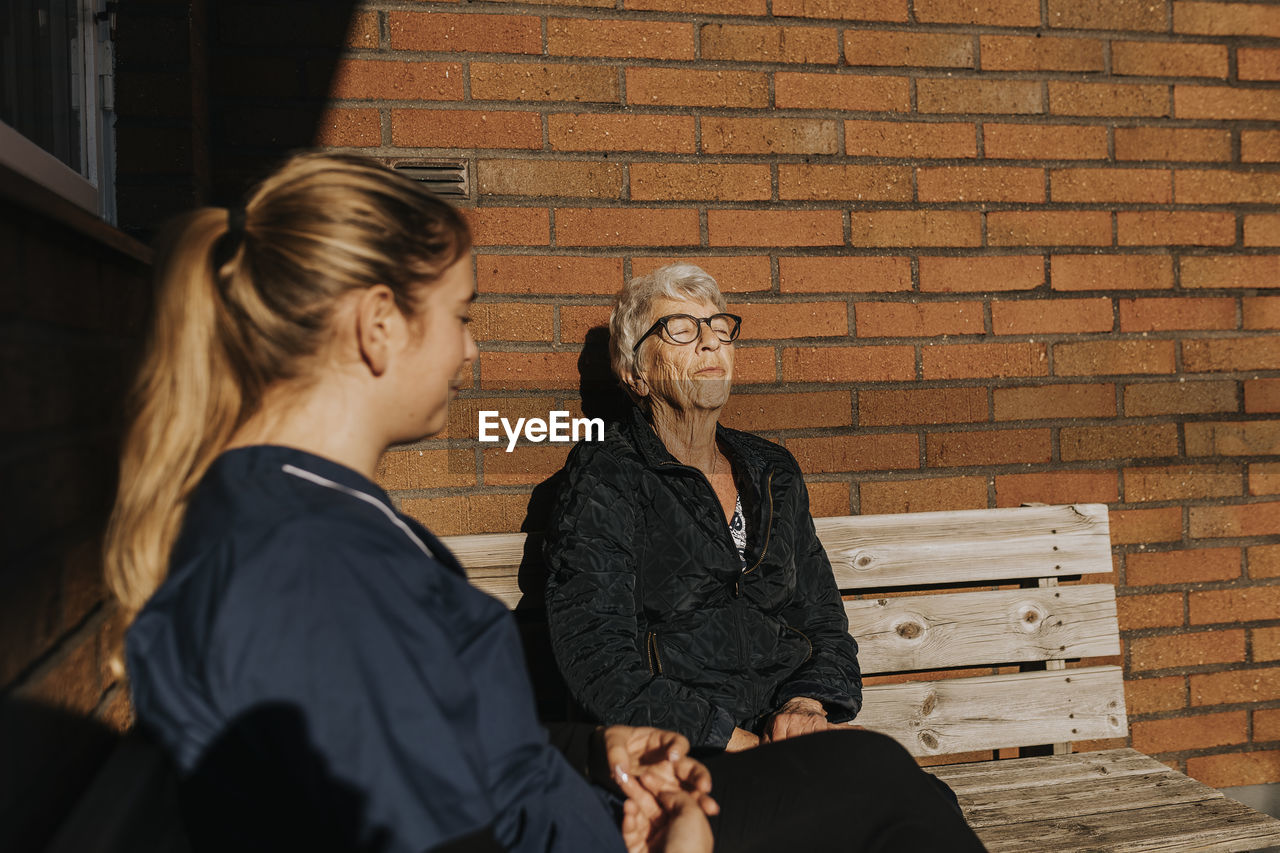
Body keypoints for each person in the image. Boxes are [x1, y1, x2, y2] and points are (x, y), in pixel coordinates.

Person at [103, 153, 714, 853]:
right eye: (460, 314)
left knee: (856, 774)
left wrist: (588, 751)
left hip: (575, 807)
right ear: (380, 323)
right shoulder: (307, 566)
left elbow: (407, 732)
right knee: (861, 786)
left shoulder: (304, 515)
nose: (472, 349)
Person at [543, 263, 860, 752]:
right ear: (636, 373)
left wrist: (807, 705)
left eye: (718, 328)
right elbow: (597, 659)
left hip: (787, 742)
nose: (710, 342)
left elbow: (822, 622)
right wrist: (734, 742)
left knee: (912, 795)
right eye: (681, 329)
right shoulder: (609, 478)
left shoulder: (772, 471)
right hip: (687, 755)